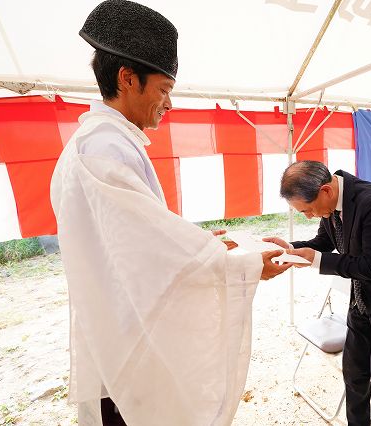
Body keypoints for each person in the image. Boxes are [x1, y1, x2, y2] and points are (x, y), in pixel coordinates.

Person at [50, 1, 291, 425]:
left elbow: (138, 238)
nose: (168, 103)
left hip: (120, 336)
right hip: (129, 350)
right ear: (128, 79)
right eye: (163, 89)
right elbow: (147, 254)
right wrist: (247, 264)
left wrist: (213, 244)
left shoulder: (98, 141)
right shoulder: (104, 148)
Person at [265, 161, 371, 425]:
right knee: (354, 376)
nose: (308, 216)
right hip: (360, 301)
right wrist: (290, 248)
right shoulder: (332, 205)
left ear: (325, 191)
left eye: (307, 210)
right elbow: (323, 242)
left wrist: (318, 261)